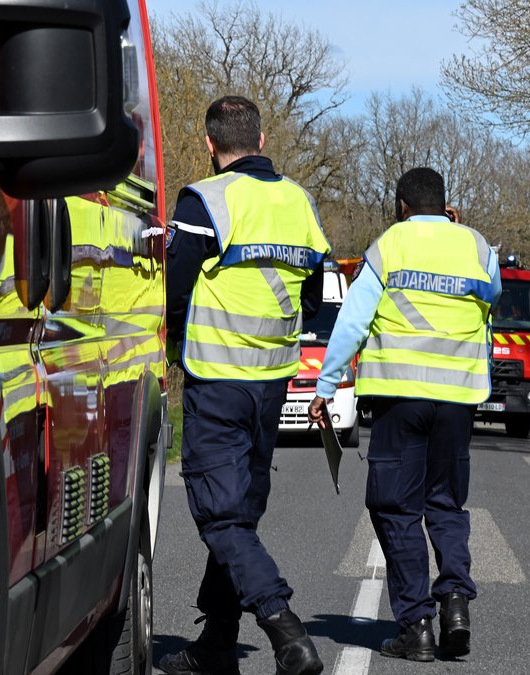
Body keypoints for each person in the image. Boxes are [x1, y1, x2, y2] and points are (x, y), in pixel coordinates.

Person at [160, 95, 331, 675]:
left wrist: (172, 348)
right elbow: (315, 292)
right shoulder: (299, 201)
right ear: (260, 140)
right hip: (272, 383)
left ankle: (286, 631)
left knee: (221, 517)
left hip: (217, 382)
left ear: (210, 146)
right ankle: (215, 649)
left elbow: (173, 290)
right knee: (240, 513)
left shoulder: (205, 198)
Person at [308, 167, 499, 661]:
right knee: (446, 504)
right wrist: (461, 232)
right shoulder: (477, 247)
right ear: (446, 204)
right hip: (458, 399)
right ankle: (455, 600)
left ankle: (416, 625)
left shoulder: (388, 246)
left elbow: (352, 320)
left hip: (399, 398)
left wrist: (326, 386)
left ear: (401, 206)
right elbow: (491, 295)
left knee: (394, 506)